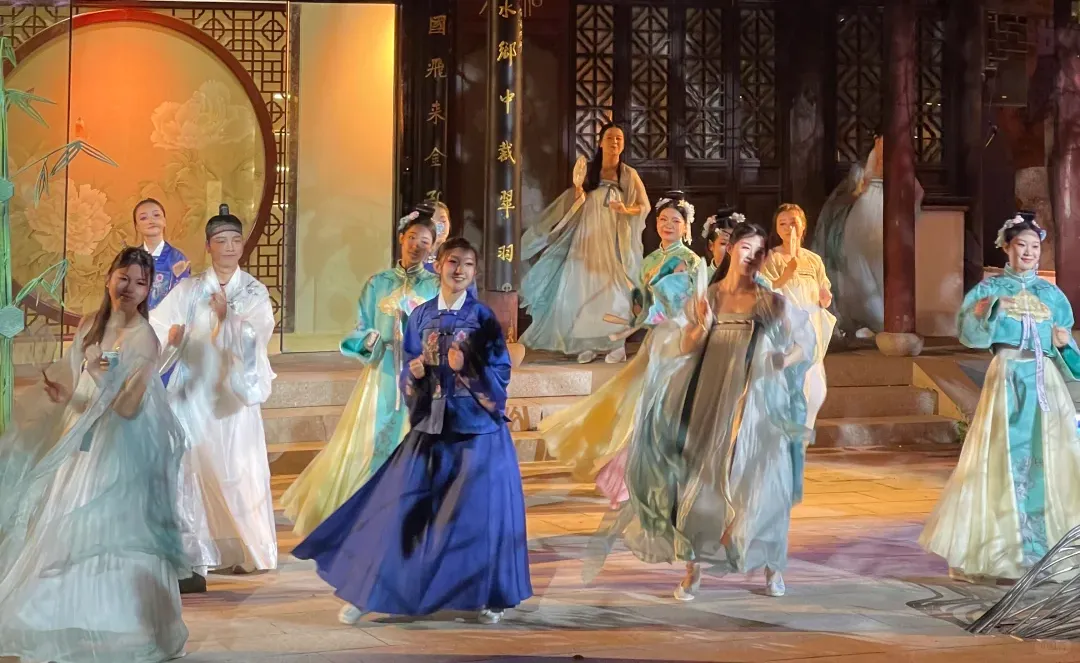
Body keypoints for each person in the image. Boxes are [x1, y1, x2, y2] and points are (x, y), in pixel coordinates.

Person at [292, 238, 532, 625]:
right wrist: (414, 374)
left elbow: (501, 373)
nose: (459, 270)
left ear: (474, 272)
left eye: (468, 264)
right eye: (453, 262)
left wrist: (467, 367)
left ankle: (488, 596)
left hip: (476, 431)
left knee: (479, 517)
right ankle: (371, 591)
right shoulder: (420, 315)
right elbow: (409, 366)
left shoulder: (482, 318)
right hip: (431, 425)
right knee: (399, 509)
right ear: (439, 265)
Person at [598, 223, 813, 601]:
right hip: (710, 399)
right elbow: (684, 346)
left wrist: (782, 359)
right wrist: (702, 326)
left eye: (758, 252)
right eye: (745, 248)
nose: (751, 257)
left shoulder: (769, 300)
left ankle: (771, 565)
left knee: (759, 478)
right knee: (701, 479)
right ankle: (693, 570)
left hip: (755, 402)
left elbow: (803, 343)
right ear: (731, 250)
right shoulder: (709, 296)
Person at [0, 247, 189, 662]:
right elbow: (80, 391)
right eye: (124, 277)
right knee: (58, 525)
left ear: (148, 291)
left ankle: (122, 626)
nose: (130, 288)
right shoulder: (89, 325)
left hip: (118, 450)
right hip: (79, 441)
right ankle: (56, 619)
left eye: (141, 283)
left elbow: (128, 407)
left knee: (106, 532)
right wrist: (65, 394)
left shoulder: (144, 338)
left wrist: (102, 377)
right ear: (109, 277)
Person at [920, 214, 1080, 583]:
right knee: (1001, 459)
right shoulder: (988, 290)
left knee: (1049, 459)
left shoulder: (1052, 295)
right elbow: (970, 335)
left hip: (1044, 382)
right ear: (1007, 247)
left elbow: (1068, 353)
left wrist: (1063, 344)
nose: (1029, 252)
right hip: (1007, 376)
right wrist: (991, 309)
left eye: (1035, 247)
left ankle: (1046, 548)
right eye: (1021, 245)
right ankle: (1001, 551)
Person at [281, 212, 440, 537]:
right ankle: (368, 511)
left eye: (425, 241)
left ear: (433, 247)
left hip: (421, 373)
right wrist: (371, 339)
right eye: (412, 238)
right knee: (374, 439)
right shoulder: (377, 283)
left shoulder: (436, 285)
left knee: (417, 439)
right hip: (383, 372)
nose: (417, 246)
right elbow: (362, 325)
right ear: (401, 238)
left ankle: (412, 514)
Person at [540, 193, 704, 506]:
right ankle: (629, 477)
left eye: (675, 220)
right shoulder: (650, 260)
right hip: (655, 340)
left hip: (680, 340)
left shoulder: (691, 261)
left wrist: (654, 311)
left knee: (664, 408)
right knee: (636, 405)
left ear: (686, 227)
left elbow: (685, 305)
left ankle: (661, 478)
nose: (668, 225)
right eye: (663, 219)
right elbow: (641, 300)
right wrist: (633, 313)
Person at [151, 204, 277, 594]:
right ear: (208, 247)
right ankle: (195, 552)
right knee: (188, 469)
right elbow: (159, 323)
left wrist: (229, 319)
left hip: (230, 396)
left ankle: (243, 547)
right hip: (191, 390)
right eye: (221, 241)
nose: (229, 247)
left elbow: (258, 335)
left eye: (235, 240)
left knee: (236, 468)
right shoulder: (189, 289)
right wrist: (170, 337)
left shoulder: (253, 292)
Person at [520, 123, 650, 364]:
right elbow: (575, 201)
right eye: (610, 138)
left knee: (614, 289)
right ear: (600, 142)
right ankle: (588, 344)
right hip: (587, 238)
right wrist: (578, 194)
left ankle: (615, 344)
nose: (614, 142)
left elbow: (644, 206)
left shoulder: (628, 174)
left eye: (619, 139)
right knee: (583, 288)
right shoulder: (590, 171)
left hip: (614, 240)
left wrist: (625, 209)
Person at [811, 132, 923, 340]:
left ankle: (883, 319)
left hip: (886, 218)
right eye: (881, 141)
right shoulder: (861, 169)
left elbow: (916, 192)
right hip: (861, 218)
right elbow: (850, 195)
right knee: (857, 268)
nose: (884, 146)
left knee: (882, 269)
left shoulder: (900, 167)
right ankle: (868, 319)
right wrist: (861, 188)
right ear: (876, 141)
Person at [760, 203, 834, 428]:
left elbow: (823, 288)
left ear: (803, 226)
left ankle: (805, 427)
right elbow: (767, 289)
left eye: (793, 222)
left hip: (811, 321)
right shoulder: (771, 257)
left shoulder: (813, 260)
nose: (788, 227)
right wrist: (787, 272)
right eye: (782, 223)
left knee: (813, 382)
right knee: (790, 377)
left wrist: (825, 297)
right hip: (787, 323)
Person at [134, 198, 191, 310]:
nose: (151, 220)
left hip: (168, 318)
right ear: (137, 226)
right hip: (137, 318)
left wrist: (179, 277)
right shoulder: (131, 259)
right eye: (144, 218)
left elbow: (184, 297)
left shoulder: (177, 258)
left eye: (156, 215)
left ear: (164, 221)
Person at [701, 208, 744, 281]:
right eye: (723, 243)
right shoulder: (697, 278)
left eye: (735, 244)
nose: (730, 249)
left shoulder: (751, 279)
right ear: (711, 245)